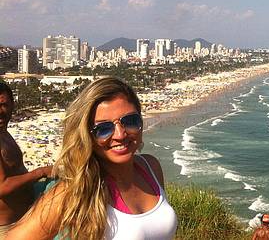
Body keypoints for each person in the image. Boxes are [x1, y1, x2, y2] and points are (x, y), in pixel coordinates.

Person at [7, 77, 177, 240]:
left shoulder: (150, 167)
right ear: (86, 135)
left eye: (130, 121)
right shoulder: (75, 189)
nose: (120, 134)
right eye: (103, 129)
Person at [0, 81, 53, 238]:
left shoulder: (4, 133)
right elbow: (1, 187)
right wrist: (41, 172)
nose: (0, 111)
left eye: (4, 105)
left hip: (22, 218)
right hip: (6, 227)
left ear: (12, 105)